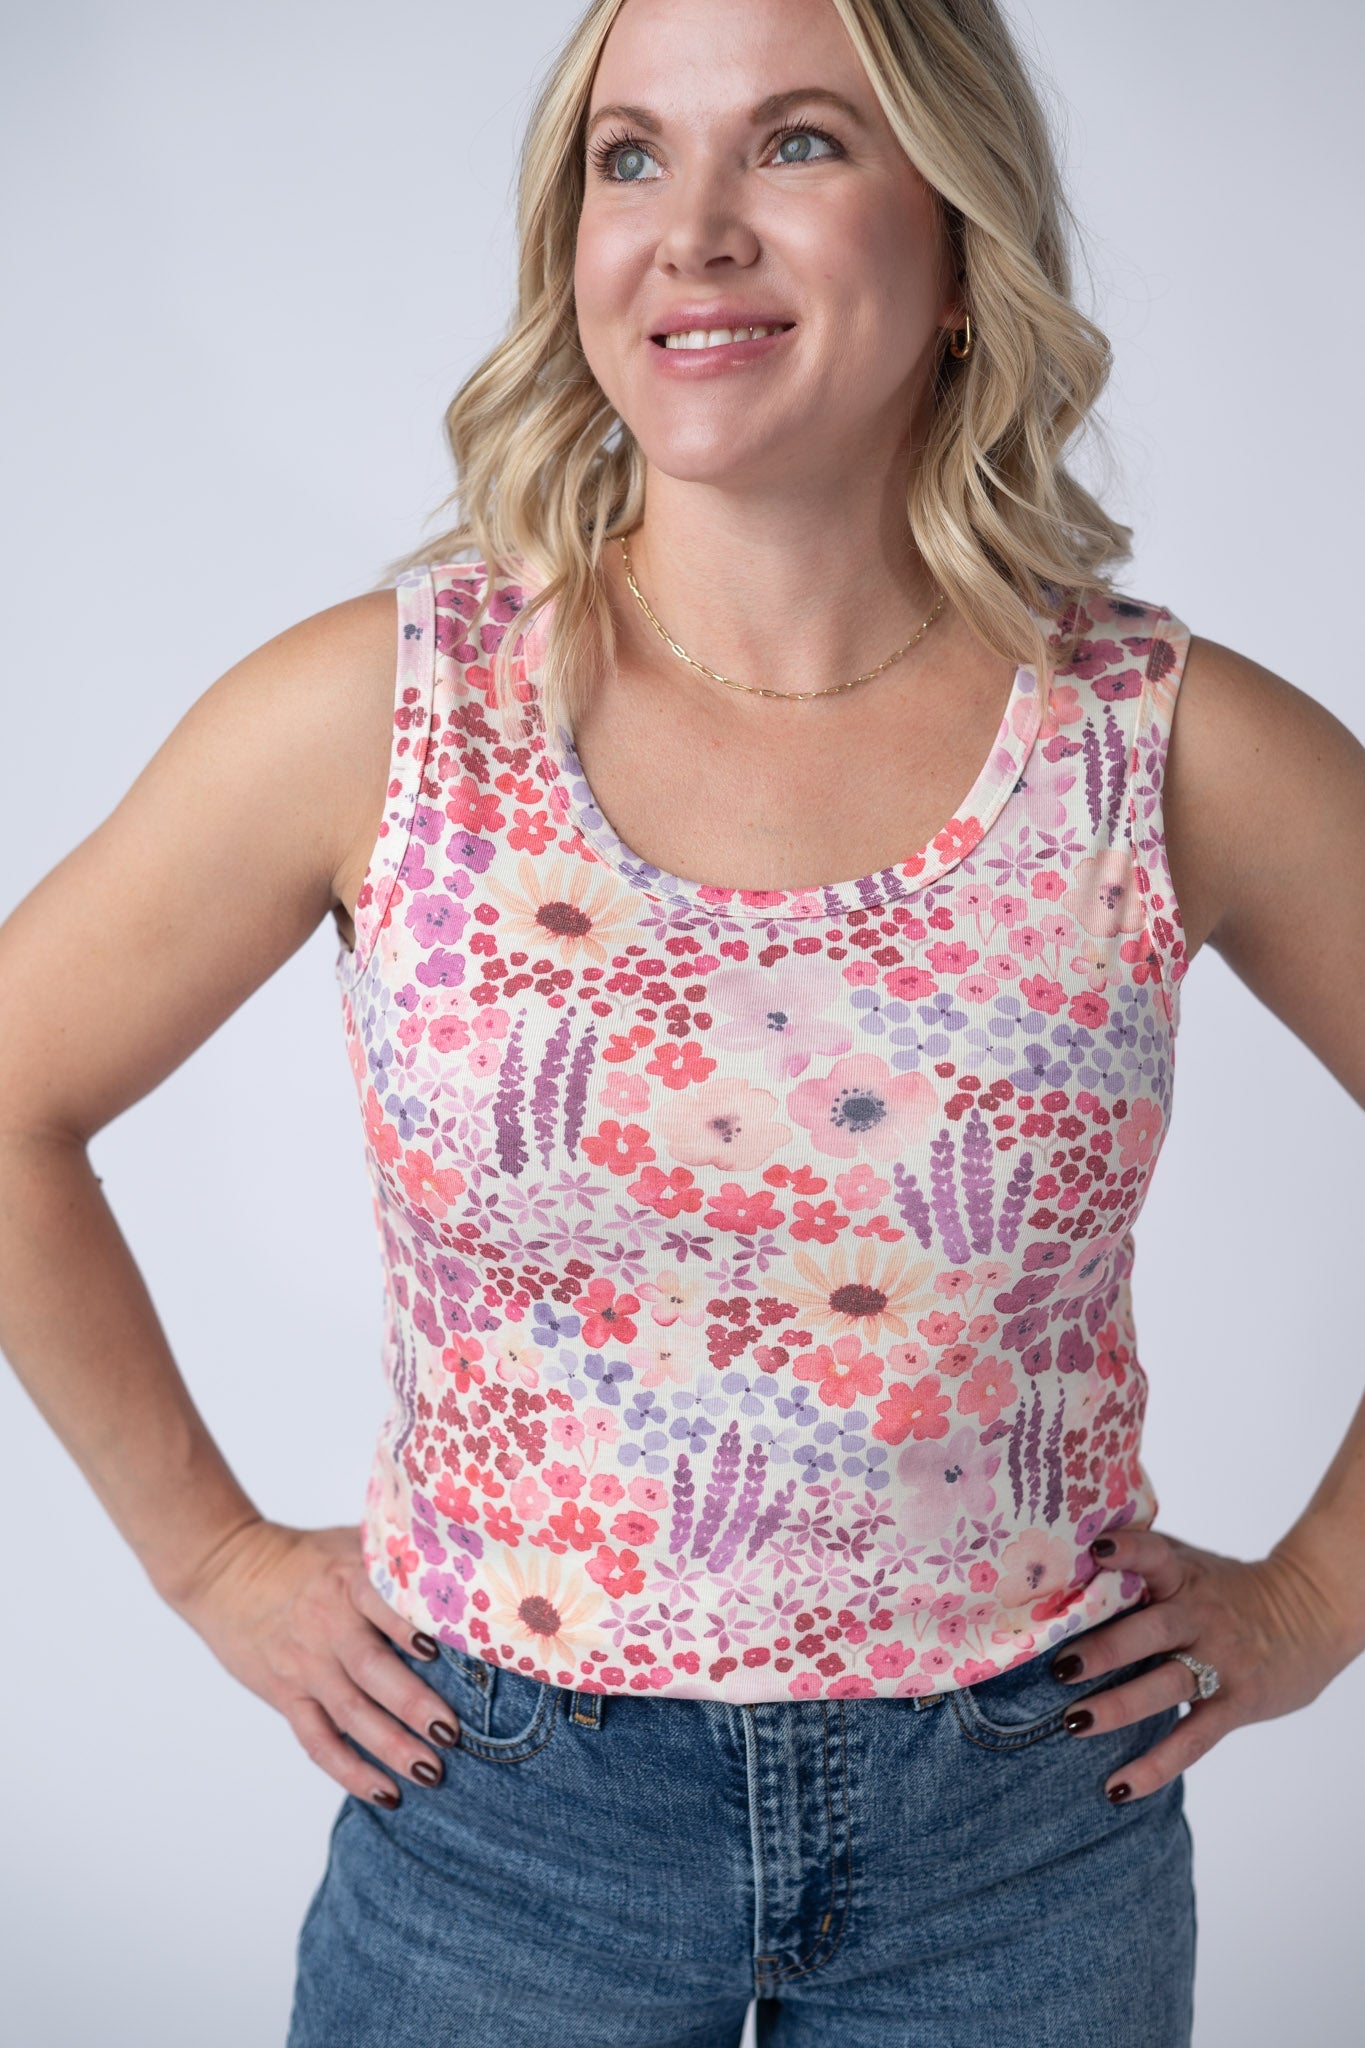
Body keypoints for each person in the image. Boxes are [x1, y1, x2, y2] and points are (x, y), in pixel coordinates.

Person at [1, 0, 1362, 2041]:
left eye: (796, 143)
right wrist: (211, 1563)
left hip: (1018, 1841)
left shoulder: (1161, 745)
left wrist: (1320, 1597)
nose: (691, 227)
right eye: (628, 157)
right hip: (499, 1824)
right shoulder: (383, 714)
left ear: (959, 239)